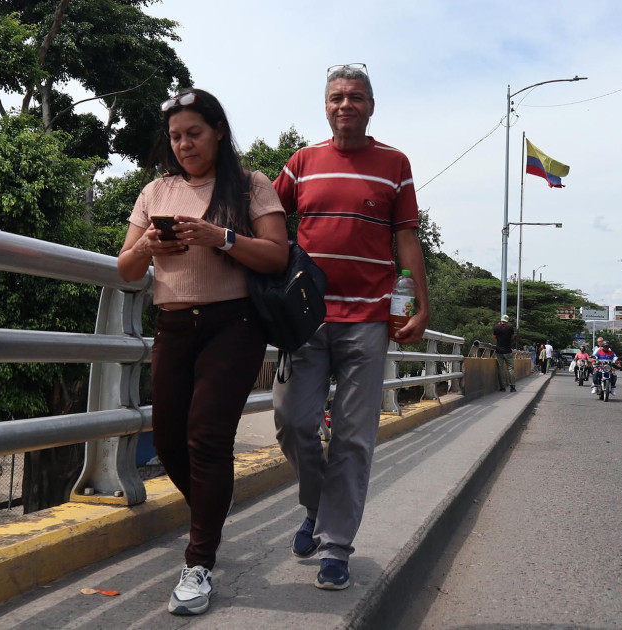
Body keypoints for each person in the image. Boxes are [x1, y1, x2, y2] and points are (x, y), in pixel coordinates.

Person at [117, 89, 289, 616]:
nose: (184, 143)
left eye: (194, 132)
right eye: (175, 136)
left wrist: (221, 237)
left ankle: (198, 563)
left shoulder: (250, 185)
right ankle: (210, 514)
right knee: (168, 440)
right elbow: (124, 269)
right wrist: (149, 246)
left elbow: (277, 256)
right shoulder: (155, 191)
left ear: (218, 131)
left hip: (233, 325)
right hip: (172, 325)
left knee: (207, 437)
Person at [272, 63, 430, 591]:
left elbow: (407, 240)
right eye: (337, 97)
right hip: (307, 318)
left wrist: (419, 306)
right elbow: (266, 220)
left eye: (356, 97)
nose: (346, 105)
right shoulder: (302, 163)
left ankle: (336, 545)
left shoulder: (395, 164)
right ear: (325, 105)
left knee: (353, 438)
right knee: (293, 423)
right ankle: (315, 509)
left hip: (368, 318)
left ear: (370, 106)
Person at [493, 315, 516, 392]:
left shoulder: (496, 327)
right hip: (508, 351)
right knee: (510, 368)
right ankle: (512, 387)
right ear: (507, 320)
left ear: (501, 320)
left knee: (501, 369)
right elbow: (512, 337)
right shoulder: (510, 327)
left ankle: (502, 387)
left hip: (499, 351)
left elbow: (494, 337)